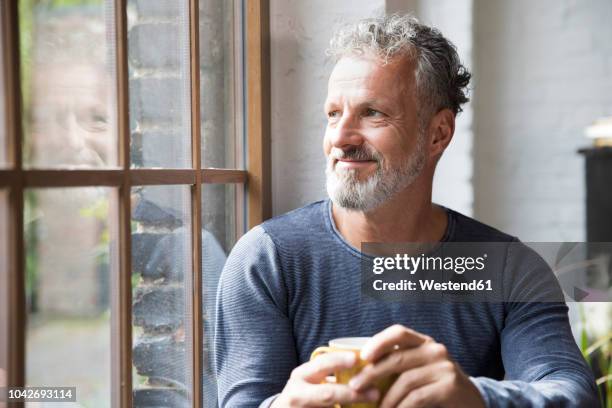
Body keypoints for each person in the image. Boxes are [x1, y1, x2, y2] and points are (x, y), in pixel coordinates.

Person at [214, 14, 599, 408]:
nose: (341, 138)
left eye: (372, 113)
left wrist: (475, 397)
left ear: (438, 134)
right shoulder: (267, 260)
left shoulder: (505, 268)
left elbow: (574, 395)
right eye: (333, 114)